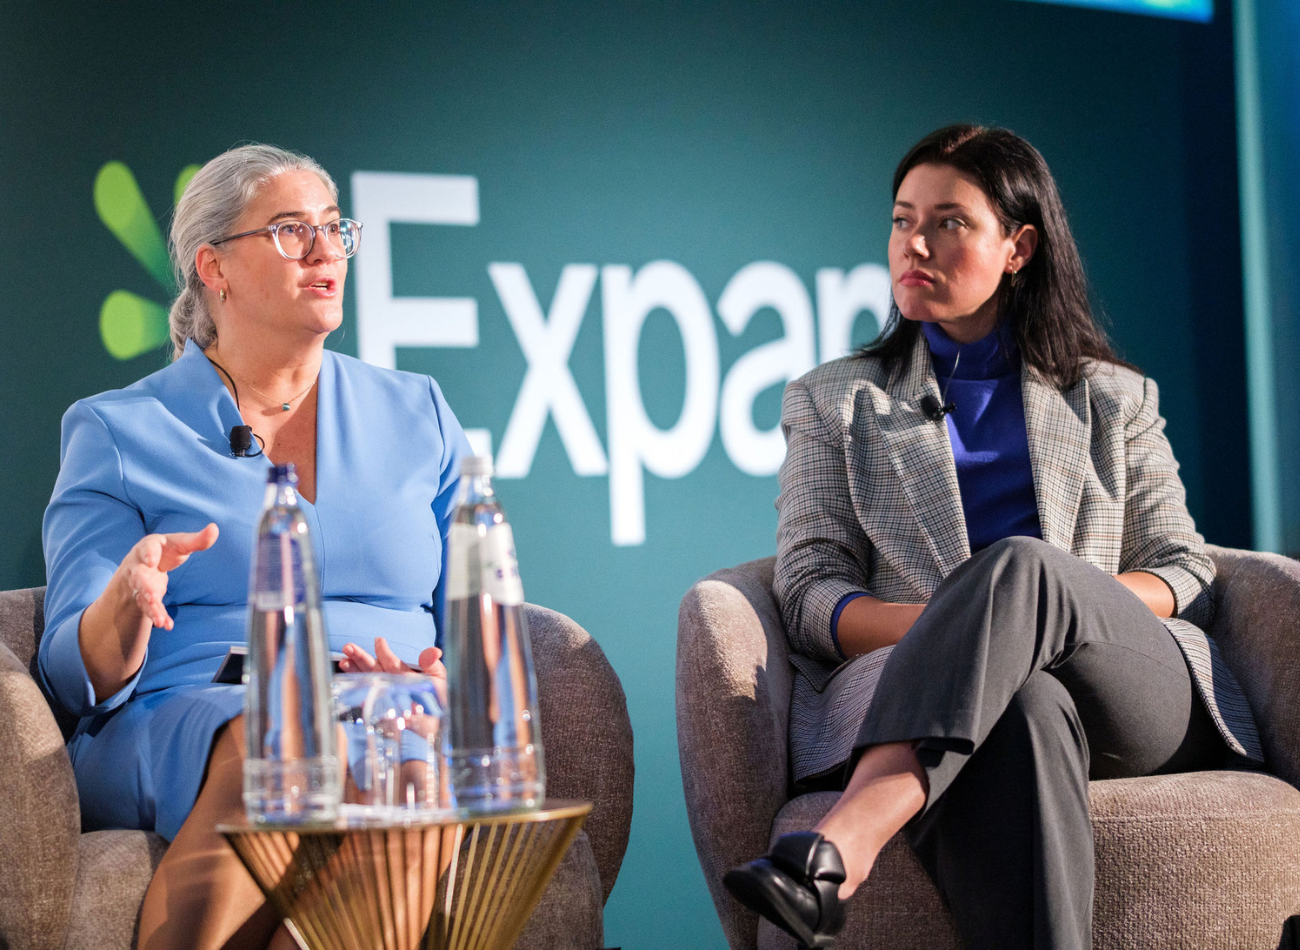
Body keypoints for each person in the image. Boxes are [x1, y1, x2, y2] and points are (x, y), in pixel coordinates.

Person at [723, 125, 1263, 950]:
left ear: (1018, 246)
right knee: (1023, 704)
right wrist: (982, 639)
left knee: (1020, 570)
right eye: (903, 221)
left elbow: (1184, 565)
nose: (916, 245)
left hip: (1131, 690)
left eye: (949, 223)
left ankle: (844, 842)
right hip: (982, 700)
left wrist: (1042, 612)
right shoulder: (833, 401)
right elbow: (808, 590)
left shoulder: (1112, 397)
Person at [39, 144, 472, 950]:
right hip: (195, 710)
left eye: (334, 228)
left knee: (415, 754)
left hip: (389, 706)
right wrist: (126, 602)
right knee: (286, 736)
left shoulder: (420, 412)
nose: (323, 249)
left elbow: (475, 623)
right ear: (215, 268)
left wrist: (449, 670)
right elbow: (72, 671)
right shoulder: (119, 429)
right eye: (288, 229)